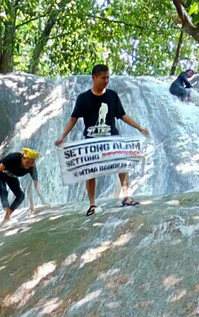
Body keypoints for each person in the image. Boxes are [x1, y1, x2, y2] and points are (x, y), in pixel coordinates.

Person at [55, 64, 152, 215]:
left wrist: (139, 128)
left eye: (108, 77)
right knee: (90, 172)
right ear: (94, 78)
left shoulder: (112, 96)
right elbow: (73, 119)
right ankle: (92, 204)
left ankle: (126, 197)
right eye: (103, 78)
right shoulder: (83, 98)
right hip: (92, 141)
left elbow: (122, 115)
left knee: (123, 165)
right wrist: (62, 136)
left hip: (112, 139)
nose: (106, 81)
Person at [0, 148, 42, 223]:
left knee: (21, 196)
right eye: (27, 162)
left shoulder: (32, 167)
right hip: (0, 172)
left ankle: (7, 217)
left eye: (31, 163)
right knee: (3, 190)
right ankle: (1, 212)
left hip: (11, 175)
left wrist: (42, 199)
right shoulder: (14, 158)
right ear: (23, 158)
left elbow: (36, 184)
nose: (29, 165)